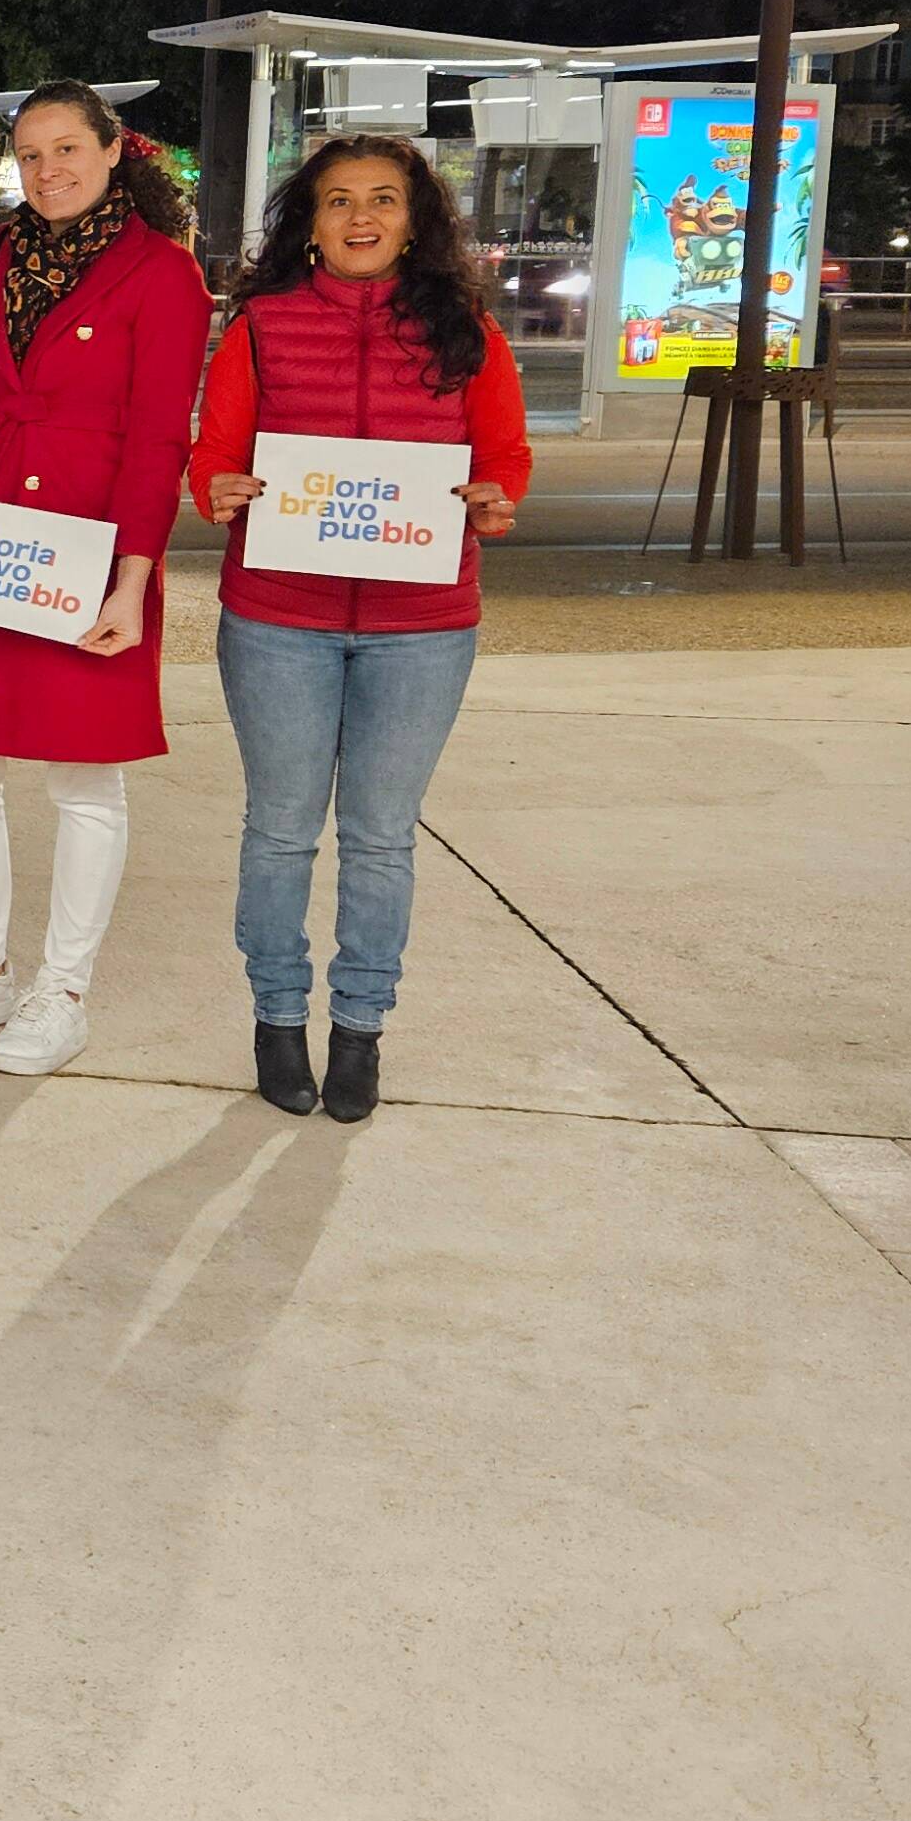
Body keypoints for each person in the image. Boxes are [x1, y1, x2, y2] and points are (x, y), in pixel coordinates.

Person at [186, 135, 530, 1123]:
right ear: (311, 220)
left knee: (380, 838)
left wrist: (493, 498)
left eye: (381, 198)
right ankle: (277, 1019)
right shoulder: (260, 327)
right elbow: (213, 457)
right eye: (337, 200)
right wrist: (218, 487)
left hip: (421, 627)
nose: (359, 216)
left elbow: (501, 456)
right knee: (281, 831)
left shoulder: (467, 334)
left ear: (416, 218)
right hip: (277, 621)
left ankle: (362, 1030)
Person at [0, 81, 207, 1077]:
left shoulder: (163, 277)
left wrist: (132, 580)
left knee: (81, 777)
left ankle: (61, 990)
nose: (48, 170)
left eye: (66, 149)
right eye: (29, 155)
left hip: (88, 540)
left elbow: (161, 438)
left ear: (114, 152)